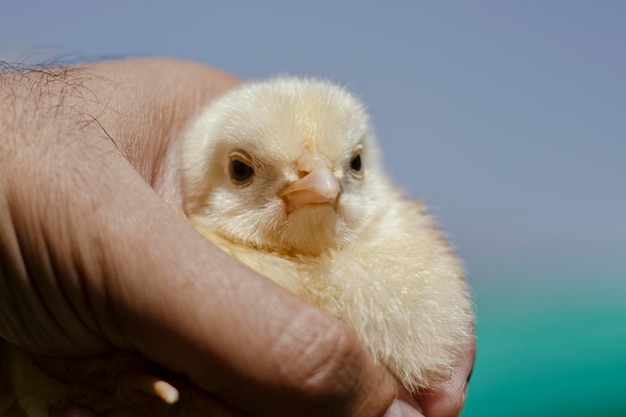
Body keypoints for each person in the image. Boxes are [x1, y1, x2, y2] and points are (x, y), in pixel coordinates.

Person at [0, 59, 474, 417]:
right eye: (245, 171)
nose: (323, 184)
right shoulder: (173, 267)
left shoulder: (413, 263)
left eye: (349, 166)